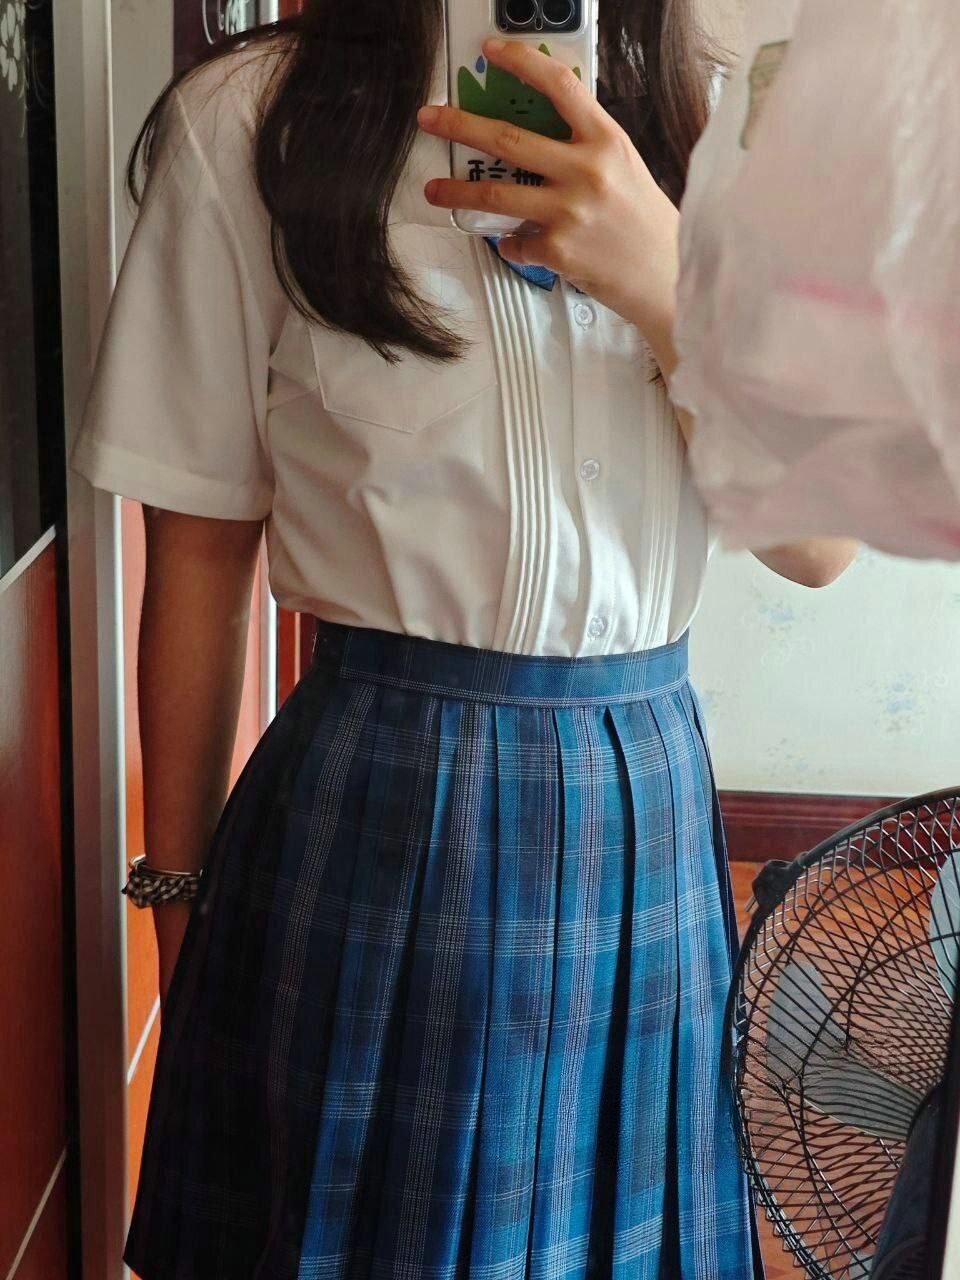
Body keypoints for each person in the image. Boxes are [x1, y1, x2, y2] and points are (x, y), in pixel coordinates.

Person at [71, 4, 858, 1277]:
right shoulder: (254, 122)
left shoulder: (741, 133)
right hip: (373, 811)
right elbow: (201, 554)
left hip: (643, 814)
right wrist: (179, 907)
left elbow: (819, 547)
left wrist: (669, 283)